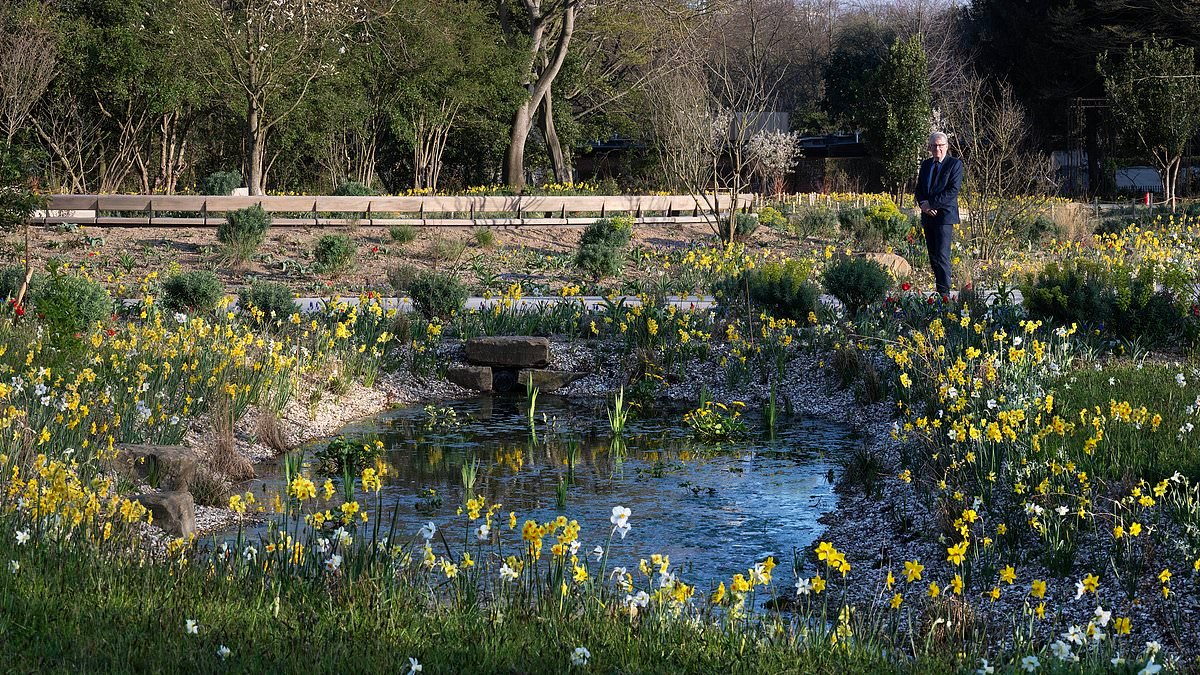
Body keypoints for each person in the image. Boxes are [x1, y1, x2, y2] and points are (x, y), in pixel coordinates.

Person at [913, 132, 962, 296]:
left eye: (940, 145)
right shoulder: (926, 165)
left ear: (946, 147)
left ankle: (944, 293)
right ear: (930, 147)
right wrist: (923, 205)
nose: (937, 149)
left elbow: (952, 190)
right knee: (933, 256)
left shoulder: (954, 164)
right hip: (928, 216)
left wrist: (932, 203)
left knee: (942, 255)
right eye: (934, 145)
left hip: (944, 217)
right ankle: (940, 288)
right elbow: (919, 189)